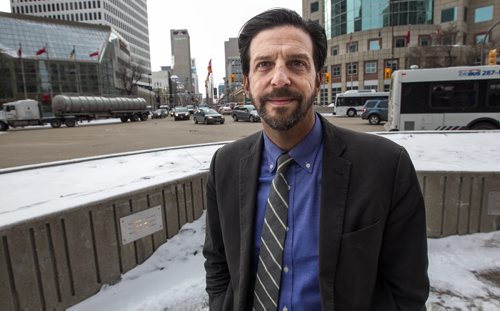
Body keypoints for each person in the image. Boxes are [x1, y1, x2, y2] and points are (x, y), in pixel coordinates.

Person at [203, 8, 429, 311]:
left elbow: (408, 291)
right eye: (264, 65)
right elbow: (218, 262)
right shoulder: (225, 165)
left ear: (318, 79)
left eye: (296, 63)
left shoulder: (385, 166)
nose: (279, 79)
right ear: (246, 82)